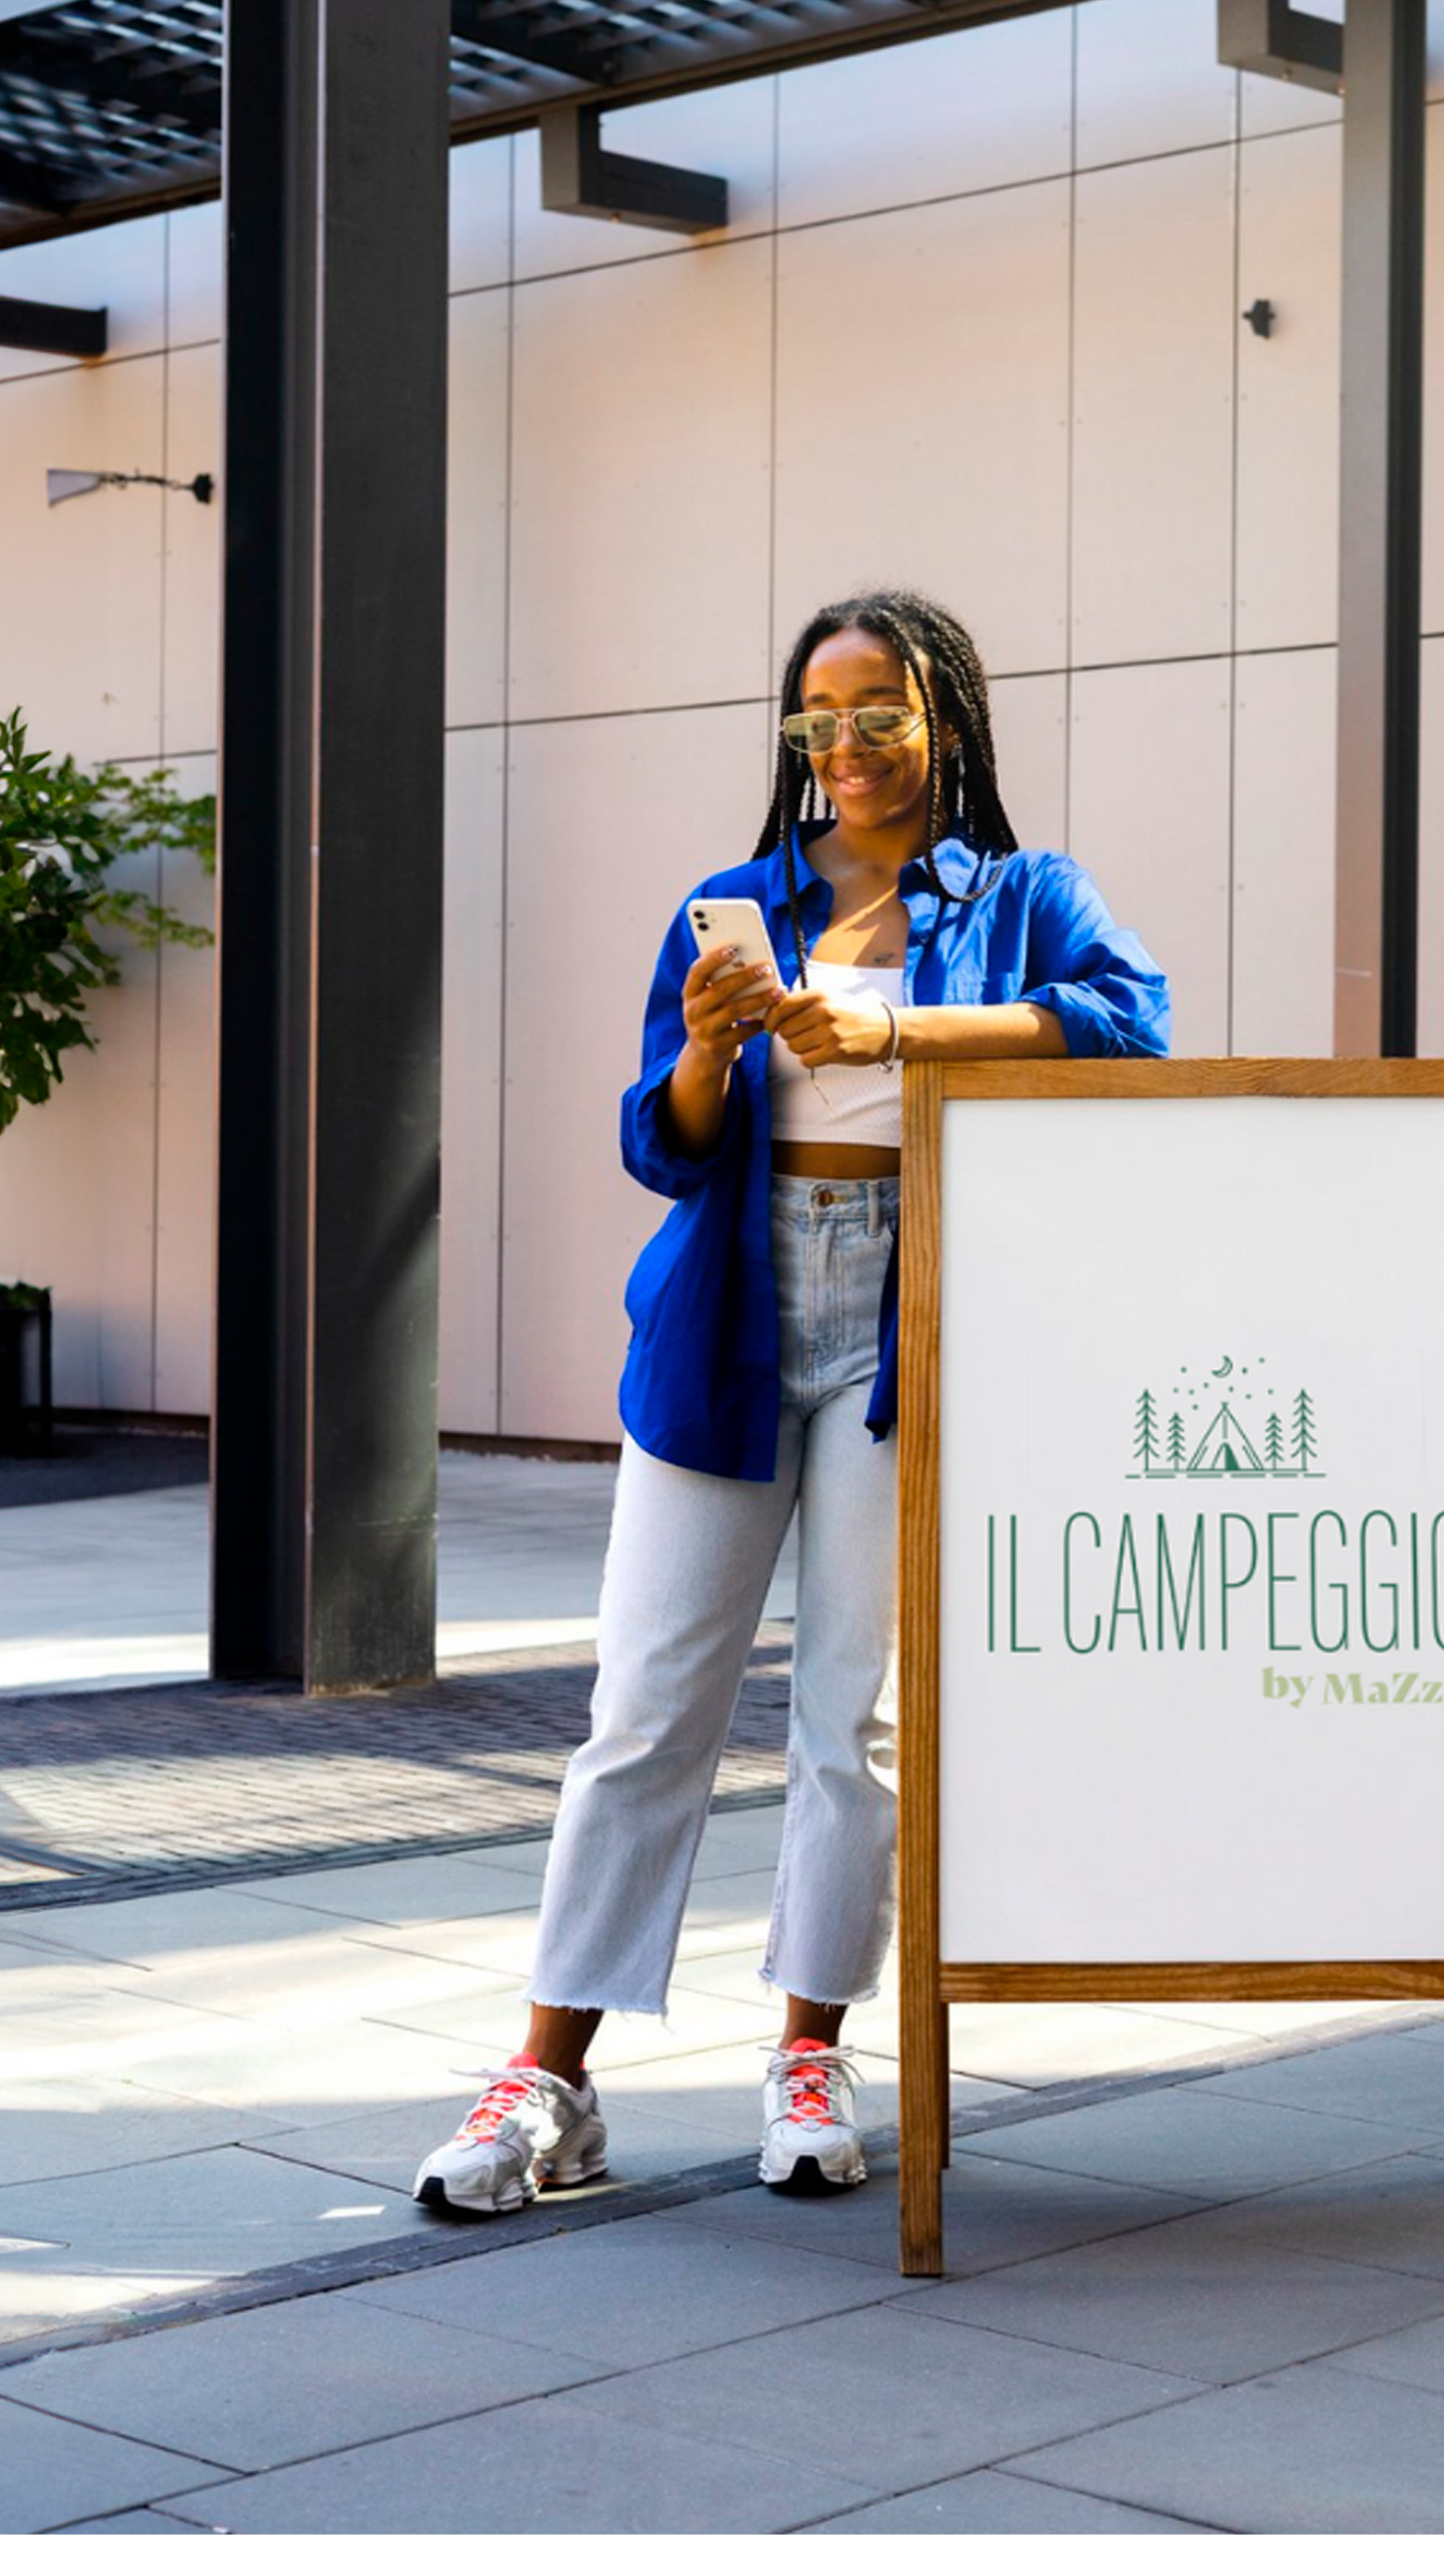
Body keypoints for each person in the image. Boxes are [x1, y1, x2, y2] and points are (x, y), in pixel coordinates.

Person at [416, 587, 1170, 2214]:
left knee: (855, 1728)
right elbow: (659, 1143)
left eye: (875, 715)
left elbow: (1132, 1029)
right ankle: (548, 2074)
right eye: (814, 719)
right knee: (644, 1712)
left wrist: (893, 1025)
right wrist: (702, 1052)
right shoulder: (728, 904)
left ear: (942, 726)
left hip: (912, 1331)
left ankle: (806, 2051)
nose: (841, 747)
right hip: (728, 1325)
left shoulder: (1024, 894)